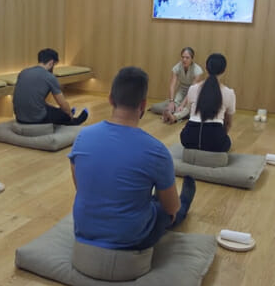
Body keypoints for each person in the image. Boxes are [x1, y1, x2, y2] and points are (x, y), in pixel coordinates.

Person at [69, 67, 196, 250]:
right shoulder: (157, 150)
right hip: (132, 240)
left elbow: (81, 187)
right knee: (172, 208)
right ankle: (186, 200)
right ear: (143, 105)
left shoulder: (82, 136)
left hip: (83, 231)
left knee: (140, 196)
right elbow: (170, 209)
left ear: (110, 99)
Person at [13, 48, 88, 126]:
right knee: (64, 115)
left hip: (19, 118)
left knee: (54, 109)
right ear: (51, 62)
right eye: (54, 65)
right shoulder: (49, 77)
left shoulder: (24, 72)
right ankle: (74, 121)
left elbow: (32, 98)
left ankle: (64, 113)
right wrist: (68, 114)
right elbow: (62, 103)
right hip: (36, 119)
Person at [179, 53, 236, 153]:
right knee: (228, 142)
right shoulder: (229, 93)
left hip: (188, 139)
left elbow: (190, 114)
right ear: (224, 70)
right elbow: (228, 123)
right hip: (215, 141)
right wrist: (220, 138)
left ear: (206, 68)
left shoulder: (193, 88)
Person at [162, 47, 203, 124]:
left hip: (193, 92)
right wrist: (171, 101)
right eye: (183, 57)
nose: (184, 60)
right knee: (174, 104)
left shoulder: (198, 71)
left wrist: (182, 105)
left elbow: (192, 90)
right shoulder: (177, 67)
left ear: (192, 59)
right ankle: (169, 114)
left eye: (187, 58)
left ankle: (174, 117)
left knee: (187, 107)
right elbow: (172, 85)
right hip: (181, 89)